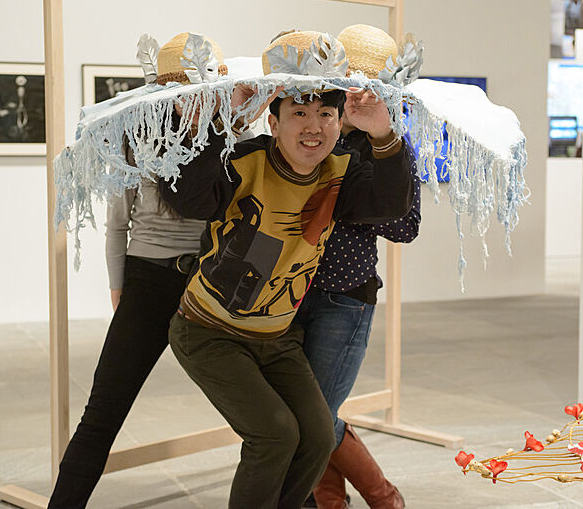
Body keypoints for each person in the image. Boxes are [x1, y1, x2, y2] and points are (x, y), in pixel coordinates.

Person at [162, 31, 415, 509]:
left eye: (325, 114)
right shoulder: (246, 159)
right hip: (209, 331)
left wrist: (382, 133)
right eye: (298, 112)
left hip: (277, 337)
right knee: (276, 435)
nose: (313, 126)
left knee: (319, 436)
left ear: (342, 121)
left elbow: (392, 205)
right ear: (273, 121)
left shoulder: (342, 169)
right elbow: (190, 198)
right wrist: (218, 122)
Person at [47, 32, 230, 509]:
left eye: (203, 91)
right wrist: (118, 286)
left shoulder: (234, 137)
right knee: (103, 411)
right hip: (148, 279)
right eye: (184, 91)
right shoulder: (138, 140)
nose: (195, 101)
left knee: (267, 407)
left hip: (211, 280)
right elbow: (116, 225)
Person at [300, 24, 422, 509]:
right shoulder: (312, 131)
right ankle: (329, 502)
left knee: (315, 415)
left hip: (344, 297)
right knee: (308, 414)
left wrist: (356, 195)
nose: (355, 93)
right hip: (287, 294)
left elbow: (406, 227)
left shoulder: (388, 146)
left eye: (365, 84)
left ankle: (382, 497)